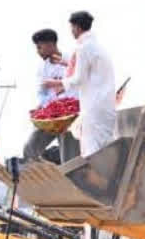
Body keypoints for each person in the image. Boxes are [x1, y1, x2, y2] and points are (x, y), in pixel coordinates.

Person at [59, 11, 116, 156]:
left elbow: (79, 79)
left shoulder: (83, 48)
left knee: (92, 151)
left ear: (76, 28)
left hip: (93, 108)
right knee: (104, 149)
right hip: (105, 106)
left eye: (72, 28)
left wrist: (59, 83)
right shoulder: (98, 47)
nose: (71, 31)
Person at [23, 28, 80, 161]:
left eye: (40, 47)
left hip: (72, 118)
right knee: (30, 149)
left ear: (51, 45)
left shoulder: (71, 59)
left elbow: (83, 81)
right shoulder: (42, 68)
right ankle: (39, 178)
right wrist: (40, 107)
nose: (38, 52)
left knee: (69, 157)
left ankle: (69, 179)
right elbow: (42, 93)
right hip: (52, 117)